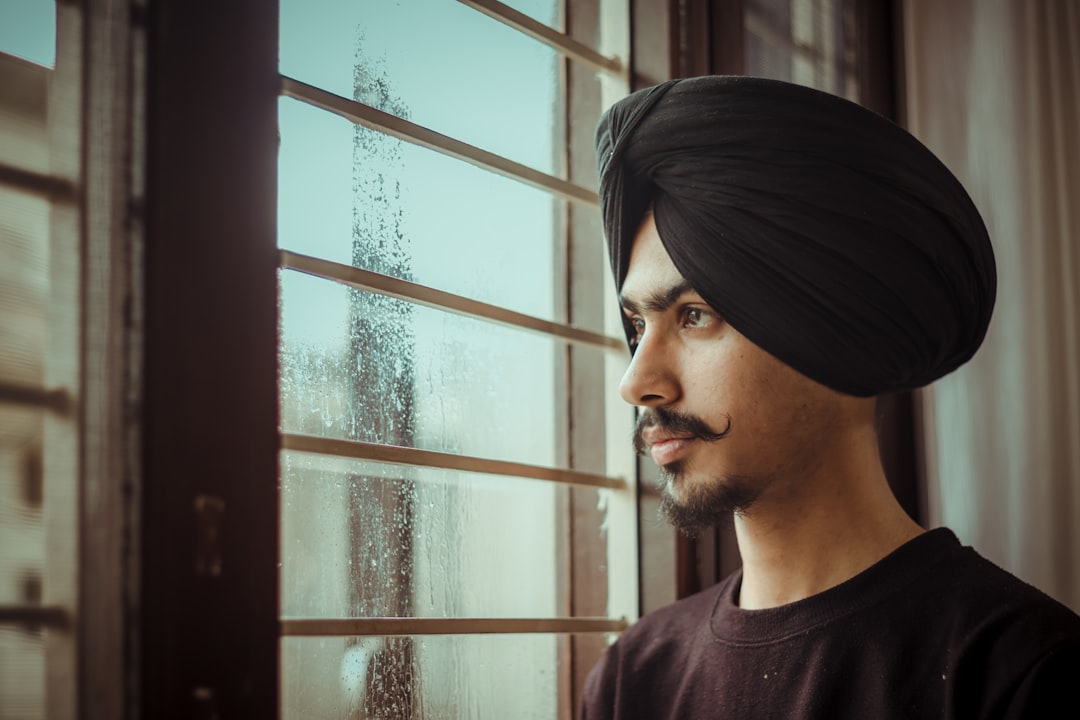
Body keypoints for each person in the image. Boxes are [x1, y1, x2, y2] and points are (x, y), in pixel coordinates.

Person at [581, 75, 1080, 719]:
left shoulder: (1022, 673)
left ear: (833, 330)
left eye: (696, 315)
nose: (635, 381)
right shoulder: (632, 680)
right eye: (637, 326)